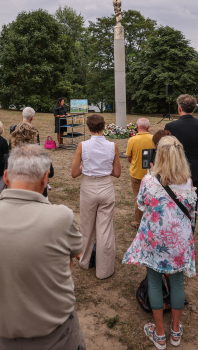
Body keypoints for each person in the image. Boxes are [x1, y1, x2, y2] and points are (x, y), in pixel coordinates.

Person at [0, 145, 86, 349]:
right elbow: (76, 252)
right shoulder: (61, 217)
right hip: (58, 338)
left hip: (2, 337)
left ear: (6, 177)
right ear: (45, 179)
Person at [122, 136, 196, 350]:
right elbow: (190, 210)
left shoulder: (149, 181)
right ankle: (175, 330)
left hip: (155, 239)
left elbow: (142, 205)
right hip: (179, 239)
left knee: (154, 280)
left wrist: (151, 175)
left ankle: (160, 333)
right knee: (177, 282)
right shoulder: (188, 181)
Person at [71, 114, 121, 279]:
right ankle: (104, 270)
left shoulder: (82, 146)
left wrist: (85, 167)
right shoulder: (112, 146)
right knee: (105, 229)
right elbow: (117, 173)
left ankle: (85, 261)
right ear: (104, 127)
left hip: (89, 187)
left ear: (88, 128)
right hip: (106, 186)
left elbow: (74, 173)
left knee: (87, 227)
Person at [165, 94, 198, 230]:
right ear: (194, 108)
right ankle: (190, 231)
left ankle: (175, 231)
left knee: (174, 201)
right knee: (193, 202)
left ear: (179, 108)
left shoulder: (171, 126)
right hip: (195, 168)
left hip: (176, 168)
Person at [126, 118, 155, 228]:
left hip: (136, 173)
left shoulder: (132, 140)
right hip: (151, 174)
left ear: (137, 126)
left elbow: (129, 158)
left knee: (138, 198)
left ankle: (138, 222)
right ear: (148, 127)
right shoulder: (153, 139)